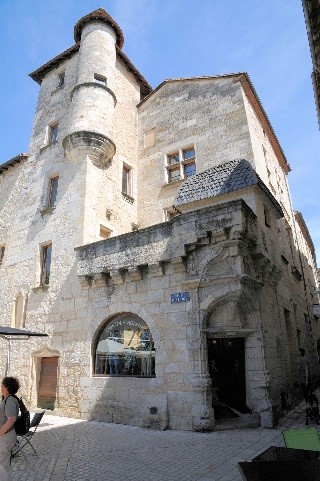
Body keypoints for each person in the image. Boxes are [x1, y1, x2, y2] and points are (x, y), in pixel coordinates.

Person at [0, 377, 20, 481]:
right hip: (5, 436)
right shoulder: (7, 399)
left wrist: (0, 432)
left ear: (7, 387)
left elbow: (11, 419)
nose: (0, 387)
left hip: (5, 437)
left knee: (3, 465)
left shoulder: (10, 400)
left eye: (2, 385)